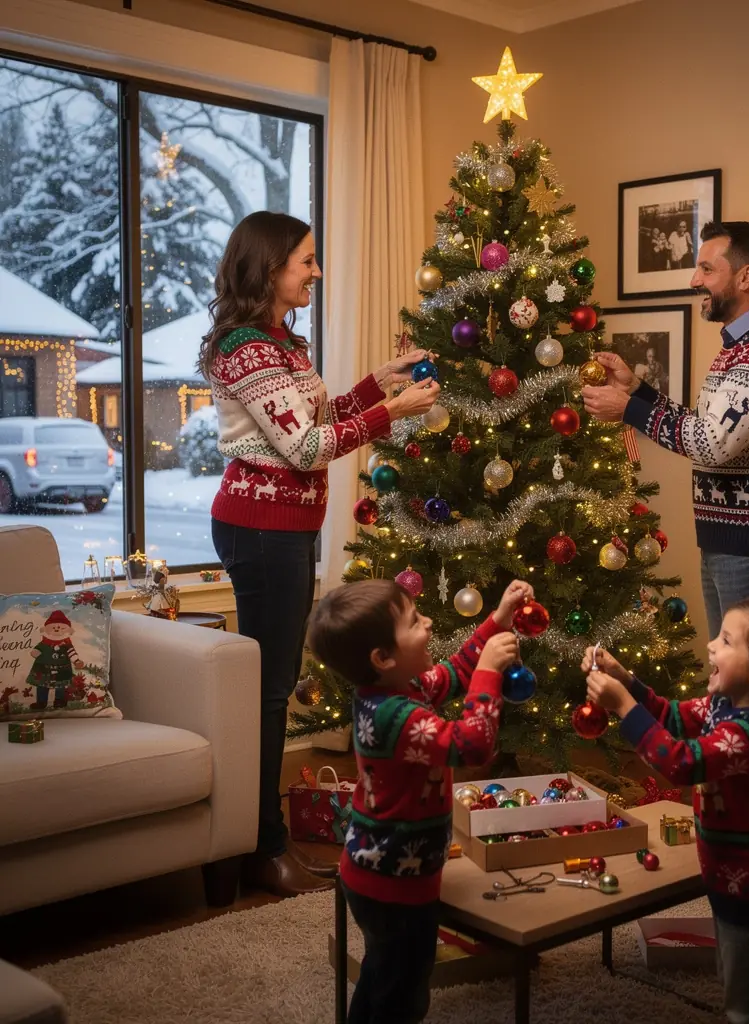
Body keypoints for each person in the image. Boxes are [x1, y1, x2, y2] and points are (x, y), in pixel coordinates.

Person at [199, 210, 439, 898]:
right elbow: (304, 449)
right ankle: (260, 847)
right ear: (270, 267)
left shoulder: (282, 343)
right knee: (272, 692)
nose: (316, 270)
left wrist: (377, 382)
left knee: (272, 686)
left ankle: (246, 847)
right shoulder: (245, 348)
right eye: (306, 260)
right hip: (261, 528)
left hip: (287, 526)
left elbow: (317, 420)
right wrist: (393, 413)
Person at [581, 220, 749, 827]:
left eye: (707, 268)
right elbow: (714, 428)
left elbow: (712, 445)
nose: (695, 279)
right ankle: (732, 821)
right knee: (732, 689)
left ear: (746, 275)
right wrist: (642, 392)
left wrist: (628, 409)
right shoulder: (741, 345)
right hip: (731, 539)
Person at [582, 598, 749, 1024]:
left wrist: (623, 706)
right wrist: (627, 680)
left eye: (726, 640)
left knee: (748, 1006)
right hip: (729, 880)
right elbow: (673, 718)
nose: (711, 645)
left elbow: (681, 762)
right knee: (735, 978)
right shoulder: (725, 706)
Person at [307, 577, 530, 1024]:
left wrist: (496, 621)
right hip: (392, 886)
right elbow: (473, 746)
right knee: (403, 996)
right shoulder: (394, 716)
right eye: (414, 621)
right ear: (383, 657)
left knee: (382, 977)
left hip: (381, 874)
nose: (427, 623)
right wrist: (490, 672)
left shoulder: (397, 686)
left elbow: (452, 671)